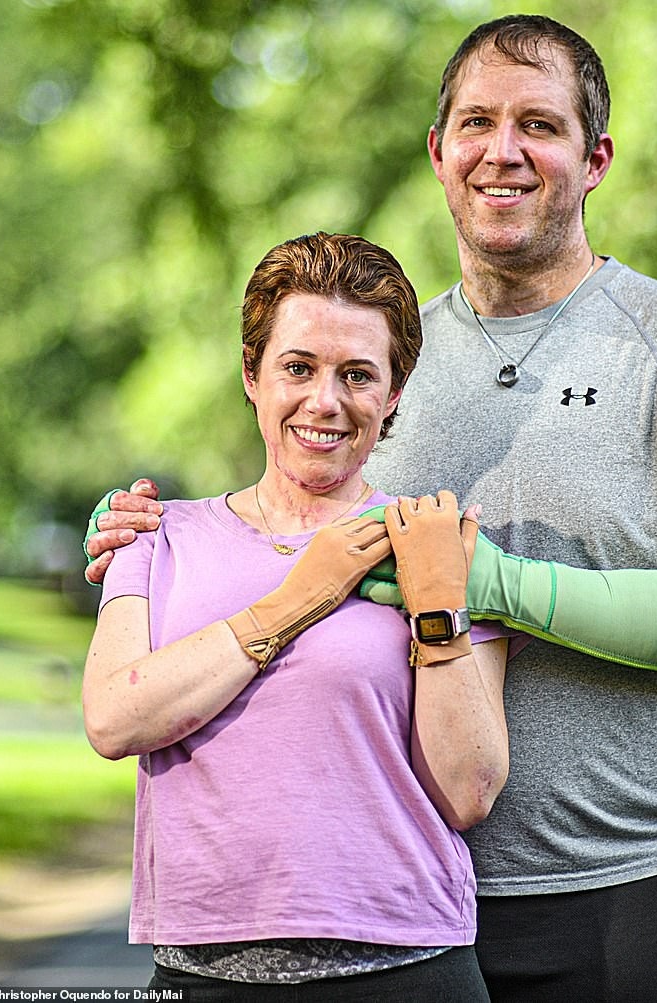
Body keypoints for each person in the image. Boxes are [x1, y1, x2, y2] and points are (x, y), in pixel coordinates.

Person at [84, 15, 657, 1003]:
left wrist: (497, 584)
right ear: (438, 152)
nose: (502, 151)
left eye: (538, 125)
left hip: (636, 890)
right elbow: (277, 537)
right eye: (476, 122)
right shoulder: (377, 366)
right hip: (413, 913)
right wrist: (139, 541)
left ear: (594, 159)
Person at [83, 231, 521, 1000]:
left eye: (358, 374)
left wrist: (437, 607)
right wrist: (302, 594)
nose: (325, 401)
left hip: (409, 971)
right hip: (201, 977)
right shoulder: (155, 536)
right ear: (251, 374)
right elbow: (114, 720)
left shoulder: (437, 543)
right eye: (298, 367)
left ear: (393, 393)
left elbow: (468, 790)